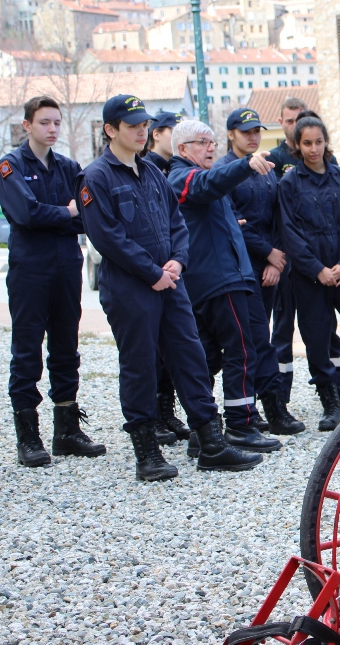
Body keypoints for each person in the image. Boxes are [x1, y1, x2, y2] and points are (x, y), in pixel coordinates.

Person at [78, 94, 261, 480]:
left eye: (145, 125)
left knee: (190, 357)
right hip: (131, 287)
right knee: (140, 364)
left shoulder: (151, 172)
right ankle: (148, 452)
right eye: (133, 126)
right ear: (110, 130)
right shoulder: (96, 177)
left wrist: (178, 260)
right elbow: (107, 237)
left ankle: (211, 444)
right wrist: (152, 272)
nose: (142, 131)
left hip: (171, 282)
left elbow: (177, 222)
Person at [0, 95, 106, 467]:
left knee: (66, 347)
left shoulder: (69, 167)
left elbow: (86, 217)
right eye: (44, 122)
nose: (52, 128)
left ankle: (67, 430)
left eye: (57, 122)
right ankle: (28, 437)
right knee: (27, 350)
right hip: (30, 269)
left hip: (66, 267)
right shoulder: (10, 166)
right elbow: (25, 214)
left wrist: (60, 215)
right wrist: (65, 213)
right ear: (27, 125)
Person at [168, 119, 283, 453]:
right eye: (202, 142)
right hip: (218, 280)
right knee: (240, 350)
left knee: (210, 356)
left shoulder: (201, 175)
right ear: (182, 148)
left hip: (225, 277)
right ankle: (240, 425)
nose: (210, 148)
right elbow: (206, 185)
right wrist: (245, 165)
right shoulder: (180, 176)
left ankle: (204, 431)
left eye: (212, 142)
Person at [278, 115, 340, 429]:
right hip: (310, 277)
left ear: (326, 142)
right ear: (297, 145)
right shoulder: (289, 183)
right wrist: (316, 269)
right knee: (317, 338)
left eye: (319, 142)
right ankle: (330, 401)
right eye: (307, 143)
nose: (314, 149)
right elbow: (289, 233)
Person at [216, 108, 305, 435]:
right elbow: (233, 222)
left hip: (271, 264)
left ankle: (254, 409)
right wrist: (268, 253)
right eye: (246, 132)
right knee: (254, 338)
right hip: (241, 265)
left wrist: (275, 258)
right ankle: (271, 408)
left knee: (260, 335)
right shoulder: (224, 171)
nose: (253, 137)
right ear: (231, 135)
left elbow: (279, 215)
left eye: (256, 131)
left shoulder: (266, 168)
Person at [270, 99, 340, 411]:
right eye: (291, 121)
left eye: (301, 119)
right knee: (283, 330)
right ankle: (280, 399)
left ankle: (339, 390)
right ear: (283, 124)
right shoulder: (273, 160)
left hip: (316, 261)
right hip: (286, 259)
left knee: (324, 328)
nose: (296, 126)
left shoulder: (329, 164)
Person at [139, 110, 192, 445]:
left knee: (177, 348)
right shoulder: (148, 168)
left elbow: (177, 221)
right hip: (149, 272)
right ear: (157, 134)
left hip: (174, 266)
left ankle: (167, 411)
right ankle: (155, 417)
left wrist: (178, 260)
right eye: (174, 130)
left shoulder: (171, 169)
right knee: (151, 353)